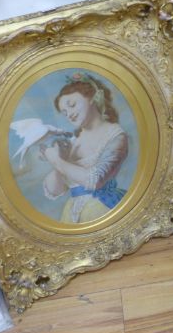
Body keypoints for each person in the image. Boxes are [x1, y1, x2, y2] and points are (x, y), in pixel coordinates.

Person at [41, 72, 128, 223]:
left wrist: (57, 161)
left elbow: (95, 180)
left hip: (102, 209)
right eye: (64, 112)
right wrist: (59, 161)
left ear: (92, 97)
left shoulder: (115, 135)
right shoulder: (73, 140)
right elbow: (55, 190)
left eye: (72, 105)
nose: (69, 114)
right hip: (71, 213)